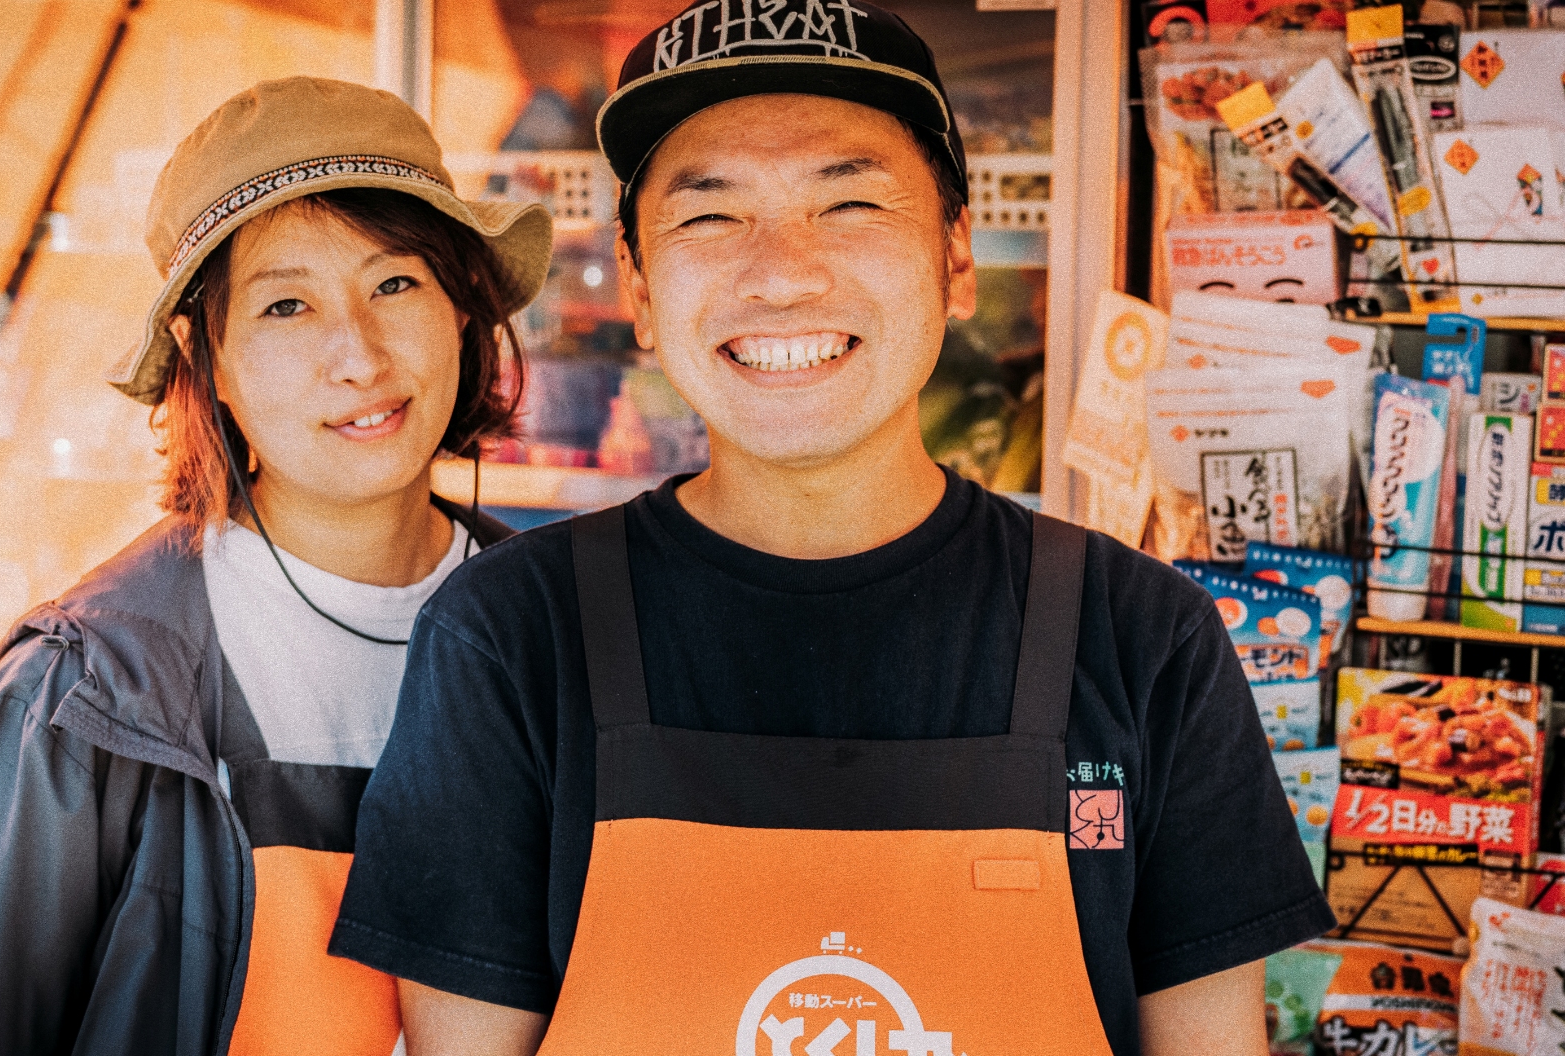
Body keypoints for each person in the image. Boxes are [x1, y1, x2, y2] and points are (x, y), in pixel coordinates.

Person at [331, 5, 1334, 1054]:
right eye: (708, 217)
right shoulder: (509, 638)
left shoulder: (1139, 639)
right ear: (635, 283)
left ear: (955, 262)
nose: (781, 273)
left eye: (847, 203)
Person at [0, 76, 552, 1056]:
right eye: (284, 306)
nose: (355, 354)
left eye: (395, 283)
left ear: (463, 310)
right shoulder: (79, 703)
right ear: (209, 359)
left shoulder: (563, 641)